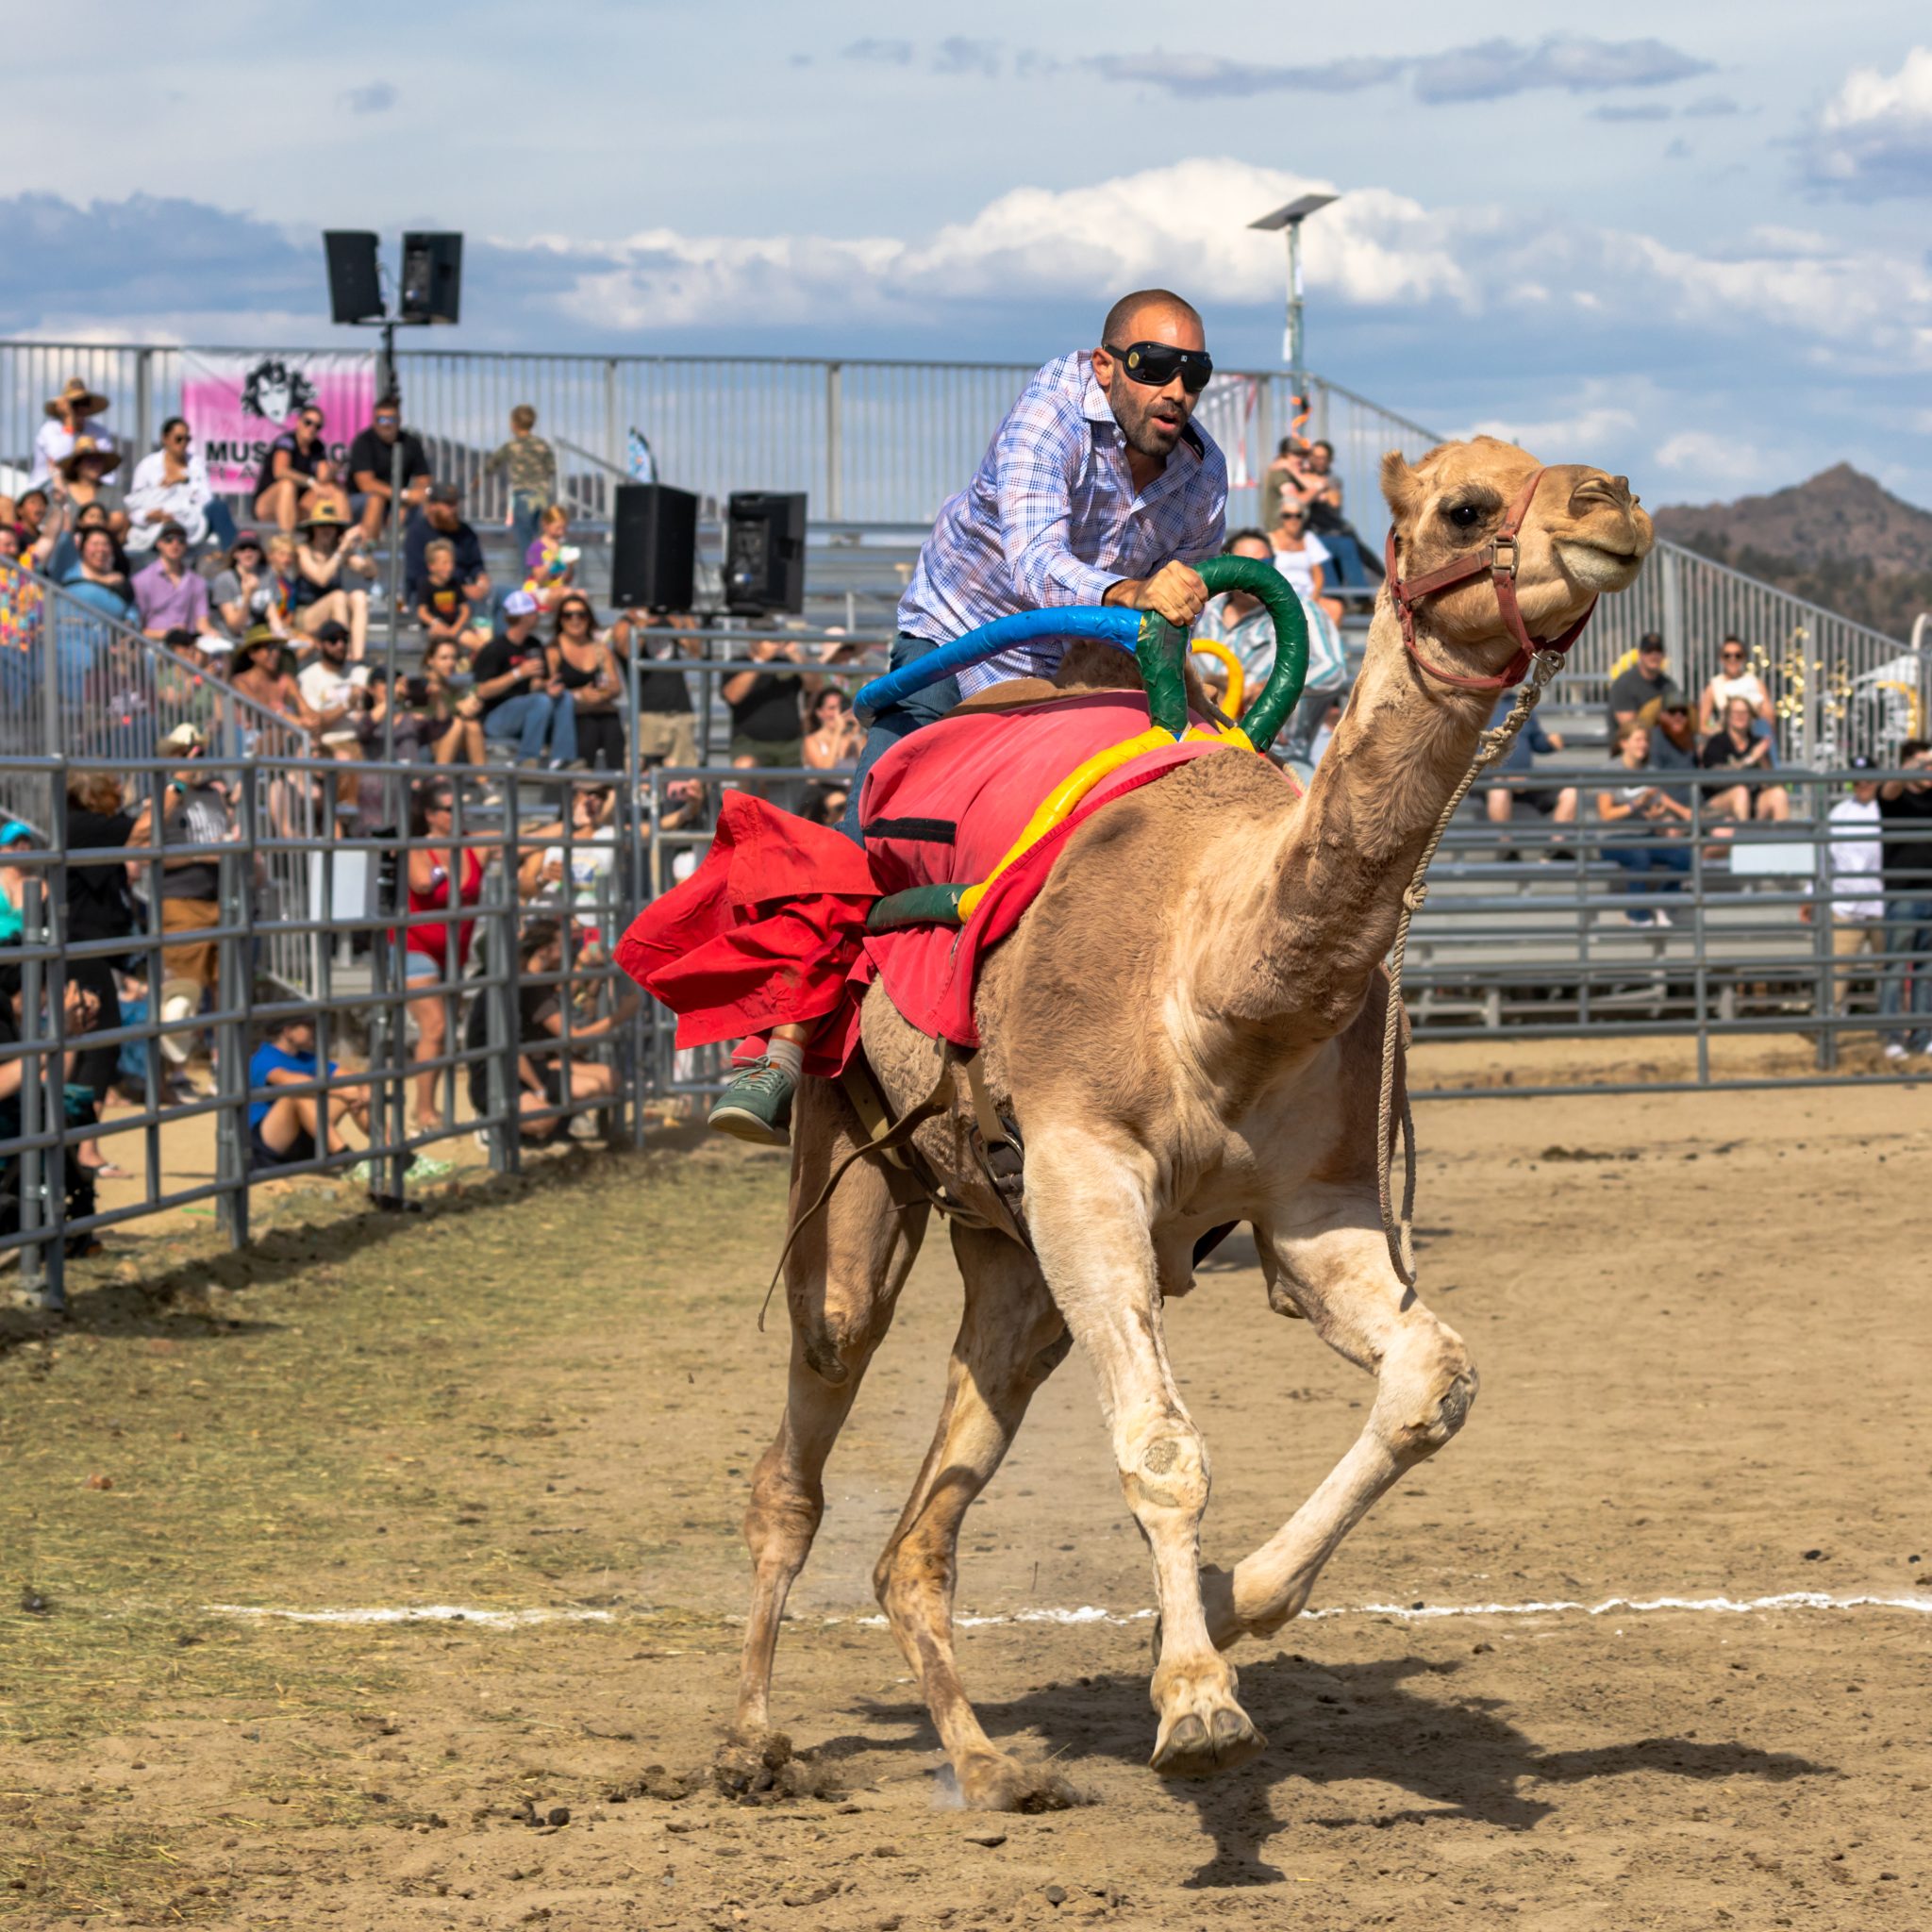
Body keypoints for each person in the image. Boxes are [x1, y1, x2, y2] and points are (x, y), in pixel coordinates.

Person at [691, 288, 1229, 1142]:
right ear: (1105, 366)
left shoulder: (1202, 476)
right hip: (958, 647)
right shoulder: (1050, 416)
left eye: (1193, 373)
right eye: (1154, 366)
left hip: (1075, 680)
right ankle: (779, 1052)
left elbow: (1175, 613)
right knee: (871, 838)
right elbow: (1036, 566)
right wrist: (1134, 593)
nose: (1176, 390)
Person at [395, 778, 485, 1134]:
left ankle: (432, 1107)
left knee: (444, 1033)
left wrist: (578, 822)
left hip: (454, 954)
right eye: (449, 809)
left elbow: (521, 837)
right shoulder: (417, 846)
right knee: (435, 1026)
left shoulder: (473, 846)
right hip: (414, 947)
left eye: (461, 807)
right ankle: (424, 1112)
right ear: (431, 815)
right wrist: (442, 869)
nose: (457, 814)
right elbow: (421, 882)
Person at [148, 724, 237, 996]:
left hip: (222, 901)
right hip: (182, 904)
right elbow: (150, 853)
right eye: (189, 752)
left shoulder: (214, 794)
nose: (197, 760)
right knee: (183, 993)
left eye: (200, 753)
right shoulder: (165, 794)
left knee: (227, 991)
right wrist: (201, 854)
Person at [1594, 719, 1692, 926]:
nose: (1643, 745)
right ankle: (1637, 914)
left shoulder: (1650, 771)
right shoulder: (1610, 770)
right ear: (1624, 743)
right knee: (1639, 856)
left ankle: (1663, 904)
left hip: (1643, 835)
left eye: (1646, 740)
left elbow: (1655, 805)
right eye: (1638, 740)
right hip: (1613, 838)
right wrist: (1636, 804)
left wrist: (1655, 813)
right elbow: (1605, 814)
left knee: (1684, 855)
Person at [1811, 758, 1885, 1030]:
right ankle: (1827, 1029)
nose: (1862, 784)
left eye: (1868, 778)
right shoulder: (1839, 812)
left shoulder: (1888, 809)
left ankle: (1897, 1030)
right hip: (1846, 905)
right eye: (1857, 779)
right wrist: (1811, 893)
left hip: (1882, 903)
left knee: (1892, 973)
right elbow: (1823, 857)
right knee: (1834, 974)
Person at [247, 1013, 370, 1170]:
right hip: (269, 1140)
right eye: (308, 1026)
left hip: (304, 1134)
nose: (313, 1030)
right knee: (297, 1095)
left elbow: (348, 1075)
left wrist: (364, 1087)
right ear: (288, 1031)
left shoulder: (307, 1058)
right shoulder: (264, 1057)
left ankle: (388, 1147)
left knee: (353, 1091)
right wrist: (340, 1091)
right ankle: (347, 1160)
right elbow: (289, 1081)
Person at [474, 591, 576, 766]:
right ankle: (527, 759)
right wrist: (518, 674)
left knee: (563, 697)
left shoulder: (533, 644)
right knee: (540, 702)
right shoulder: (495, 649)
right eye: (534, 612)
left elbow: (534, 686)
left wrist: (546, 686)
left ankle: (563, 759)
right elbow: (482, 691)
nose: (538, 616)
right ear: (524, 617)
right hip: (495, 717)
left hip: (529, 709)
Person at [1877, 739, 1932, 1062]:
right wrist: (1911, 769)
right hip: (1903, 894)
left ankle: (1923, 1036)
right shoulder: (1897, 797)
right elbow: (1889, 790)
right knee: (1896, 967)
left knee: (1927, 970)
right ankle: (1892, 1036)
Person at [125, 417, 232, 555]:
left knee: (219, 508)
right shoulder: (147, 466)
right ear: (165, 438)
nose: (183, 443)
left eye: (187, 439)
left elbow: (206, 501)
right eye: (179, 439)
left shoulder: (196, 464)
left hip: (192, 524)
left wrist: (186, 481)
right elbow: (135, 507)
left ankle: (233, 552)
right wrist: (149, 516)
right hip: (159, 527)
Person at [1484, 693, 1577, 850]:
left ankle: (1556, 848)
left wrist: (1549, 742)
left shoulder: (1522, 705)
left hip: (1526, 778)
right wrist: (1506, 774)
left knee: (1571, 792)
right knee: (1499, 789)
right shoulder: (1476, 704)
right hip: (1489, 779)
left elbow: (1537, 741)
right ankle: (1506, 849)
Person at [549, 595, 629, 774]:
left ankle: (616, 786)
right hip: (574, 715)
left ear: (589, 618)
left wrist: (601, 694)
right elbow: (550, 689)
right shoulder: (553, 650)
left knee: (613, 728)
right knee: (588, 730)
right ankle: (584, 786)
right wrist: (579, 695)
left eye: (581, 614)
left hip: (603, 712)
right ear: (560, 619)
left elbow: (616, 687)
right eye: (568, 615)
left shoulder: (600, 649)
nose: (575, 620)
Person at [347, 397, 434, 545]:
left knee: (428, 502)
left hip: (398, 503)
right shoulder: (363, 442)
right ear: (374, 421)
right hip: (360, 502)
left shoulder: (411, 443)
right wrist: (402, 496)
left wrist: (408, 501)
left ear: (399, 420)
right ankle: (367, 550)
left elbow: (424, 479)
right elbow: (366, 484)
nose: (386, 424)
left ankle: (421, 551)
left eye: (391, 419)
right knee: (376, 500)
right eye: (381, 419)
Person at [724, 635, 814, 776]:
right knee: (745, 766)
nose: (770, 641)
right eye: (763, 636)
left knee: (818, 764)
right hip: (751, 743)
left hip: (792, 743)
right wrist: (760, 661)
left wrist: (796, 656)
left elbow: (815, 686)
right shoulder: (738, 662)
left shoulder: (788, 662)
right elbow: (732, 696)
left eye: (772, 636)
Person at [293, 504, 375, 656]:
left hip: (335, 611)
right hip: (306, 615)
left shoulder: (338, 552)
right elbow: (321, 579)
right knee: (338, 596)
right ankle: (343, 653)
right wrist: (341, 550)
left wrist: (365, 548)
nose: (327, 530)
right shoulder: (303, 550)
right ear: (313, 529)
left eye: (331, 526)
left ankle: (357, 657)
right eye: (321, 525)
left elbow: (369, 572)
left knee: (359, 597)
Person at [482, 404, 558, 564]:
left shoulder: (512, 446)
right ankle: (549, 571)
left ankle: (530, 575)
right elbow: (552, 468)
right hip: (542, 496)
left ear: (514, 424)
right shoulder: (542, 445)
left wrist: (479, 478)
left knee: (526, 544)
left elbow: (492, 464)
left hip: (523, 496)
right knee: (544, 541)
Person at [1699, 694, 1790, 822]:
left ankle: (1784, 834)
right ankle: (1743, 835)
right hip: (1719, 804)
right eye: (1736, 712)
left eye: (1745, 712)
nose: (1740, 716)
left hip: (1753, 802)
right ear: (1728, 716)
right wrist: (1750, 759)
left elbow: (1769, 783)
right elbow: (1717, 780)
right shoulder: (1716, 742)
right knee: (1740, 792)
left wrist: (1762, 759)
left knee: (1778, 794)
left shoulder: (1757, 743)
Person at [404, 483, 490, 616]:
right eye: (448, 504)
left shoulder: (465, 532)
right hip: (429, 595)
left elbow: (476, 565)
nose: (453, 509)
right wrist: (459, 589)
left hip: (463, 596)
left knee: (499, 597)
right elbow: (417, 576)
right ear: (432, 506)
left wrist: (482, 581)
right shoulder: (417, 533)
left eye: (455, 503)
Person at [632, 612, 705, 769]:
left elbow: (697, 651)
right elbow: (628, 651)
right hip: (646, 712)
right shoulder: (629, 621)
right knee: (645, 775)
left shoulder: (672, 620)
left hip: (680, 709)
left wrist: (685, 614)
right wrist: (645, 620)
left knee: (684, 777)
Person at [252, 404, 333, 534]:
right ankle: (287, 539)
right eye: (308, 422)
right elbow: (280, 471)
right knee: (287, 485)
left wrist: (334, 470)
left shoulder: (318, 447)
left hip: (296, 507)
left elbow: (323, 479)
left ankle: (343, 538)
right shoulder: (286, 441)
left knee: (332, 489)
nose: (312, 428)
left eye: (317, 426)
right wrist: (311, 482)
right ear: (298, 422)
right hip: (267, 506)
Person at [131, 524, 220, 641]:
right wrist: (169, 634)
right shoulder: (141, 580)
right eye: (169, 539)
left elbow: (202, 623)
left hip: (187, 644)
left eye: (181, 541)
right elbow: (138, 627)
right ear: (159, 544)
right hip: (154, 645)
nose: (175, 544)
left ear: (186, 546)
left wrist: (212, 633)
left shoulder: (198, 582)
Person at [32, 377, 115, 489]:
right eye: (75, 404)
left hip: (88, 491)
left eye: (84, 403)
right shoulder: (49, 430)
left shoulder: (100, 432)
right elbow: (60, 460)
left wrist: (104, 493)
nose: (80, 408)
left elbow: (108, 473)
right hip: (48, 489)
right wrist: (69, 421)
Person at [1268, 498, 1339, 623]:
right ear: (1281, 518)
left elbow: (1319, 575)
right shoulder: (1270, 540)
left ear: (1304, 518)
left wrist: (1313, 600)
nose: (1293, 520)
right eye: (1287, 516)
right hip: (1280, 597)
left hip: (1307, 597)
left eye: (1298, 515)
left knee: (1336, 608)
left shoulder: (1309, 538)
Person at [1697, 636, 1774, 736]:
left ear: (1744, 657)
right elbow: (1702, 726)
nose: (1732, 659)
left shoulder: (1756, 683)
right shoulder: (1714, 686)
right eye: (1727, 655)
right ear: (1721, 658)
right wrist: (1721, 733)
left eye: (1737, 655)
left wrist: (1752, 710)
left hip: (1755, 736)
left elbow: (1770, 720)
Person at [414, 539, 477, 648]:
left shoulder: (455, 583)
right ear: (431, 566)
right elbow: (422, 612)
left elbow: (465, 610)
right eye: (444, 563)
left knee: (475, 641)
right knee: (439, 637)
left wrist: (455, 628)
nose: (449, 567)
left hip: (455, 628)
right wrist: (436, 623)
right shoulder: (425, 584)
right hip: (434, 628)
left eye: (451, 562)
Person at [1607, 631, 1670, 732]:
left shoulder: (1668, 685)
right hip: (1630, 741)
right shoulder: (1624, 684)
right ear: (1640, 654)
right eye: (1649, 650)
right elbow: (1630, 729)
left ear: (1663, 655)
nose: (1654, 655)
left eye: (1658, 650)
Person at [210, 530, 266, 638]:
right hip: (232, 639)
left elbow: (273, 617)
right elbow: (235, 627)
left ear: (260, 552)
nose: (248, 553)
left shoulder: (267, 575)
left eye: (253, 548)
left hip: (260, 637)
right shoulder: (224, 580)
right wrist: (247, 596)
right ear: (235, 553)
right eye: (242, 548)